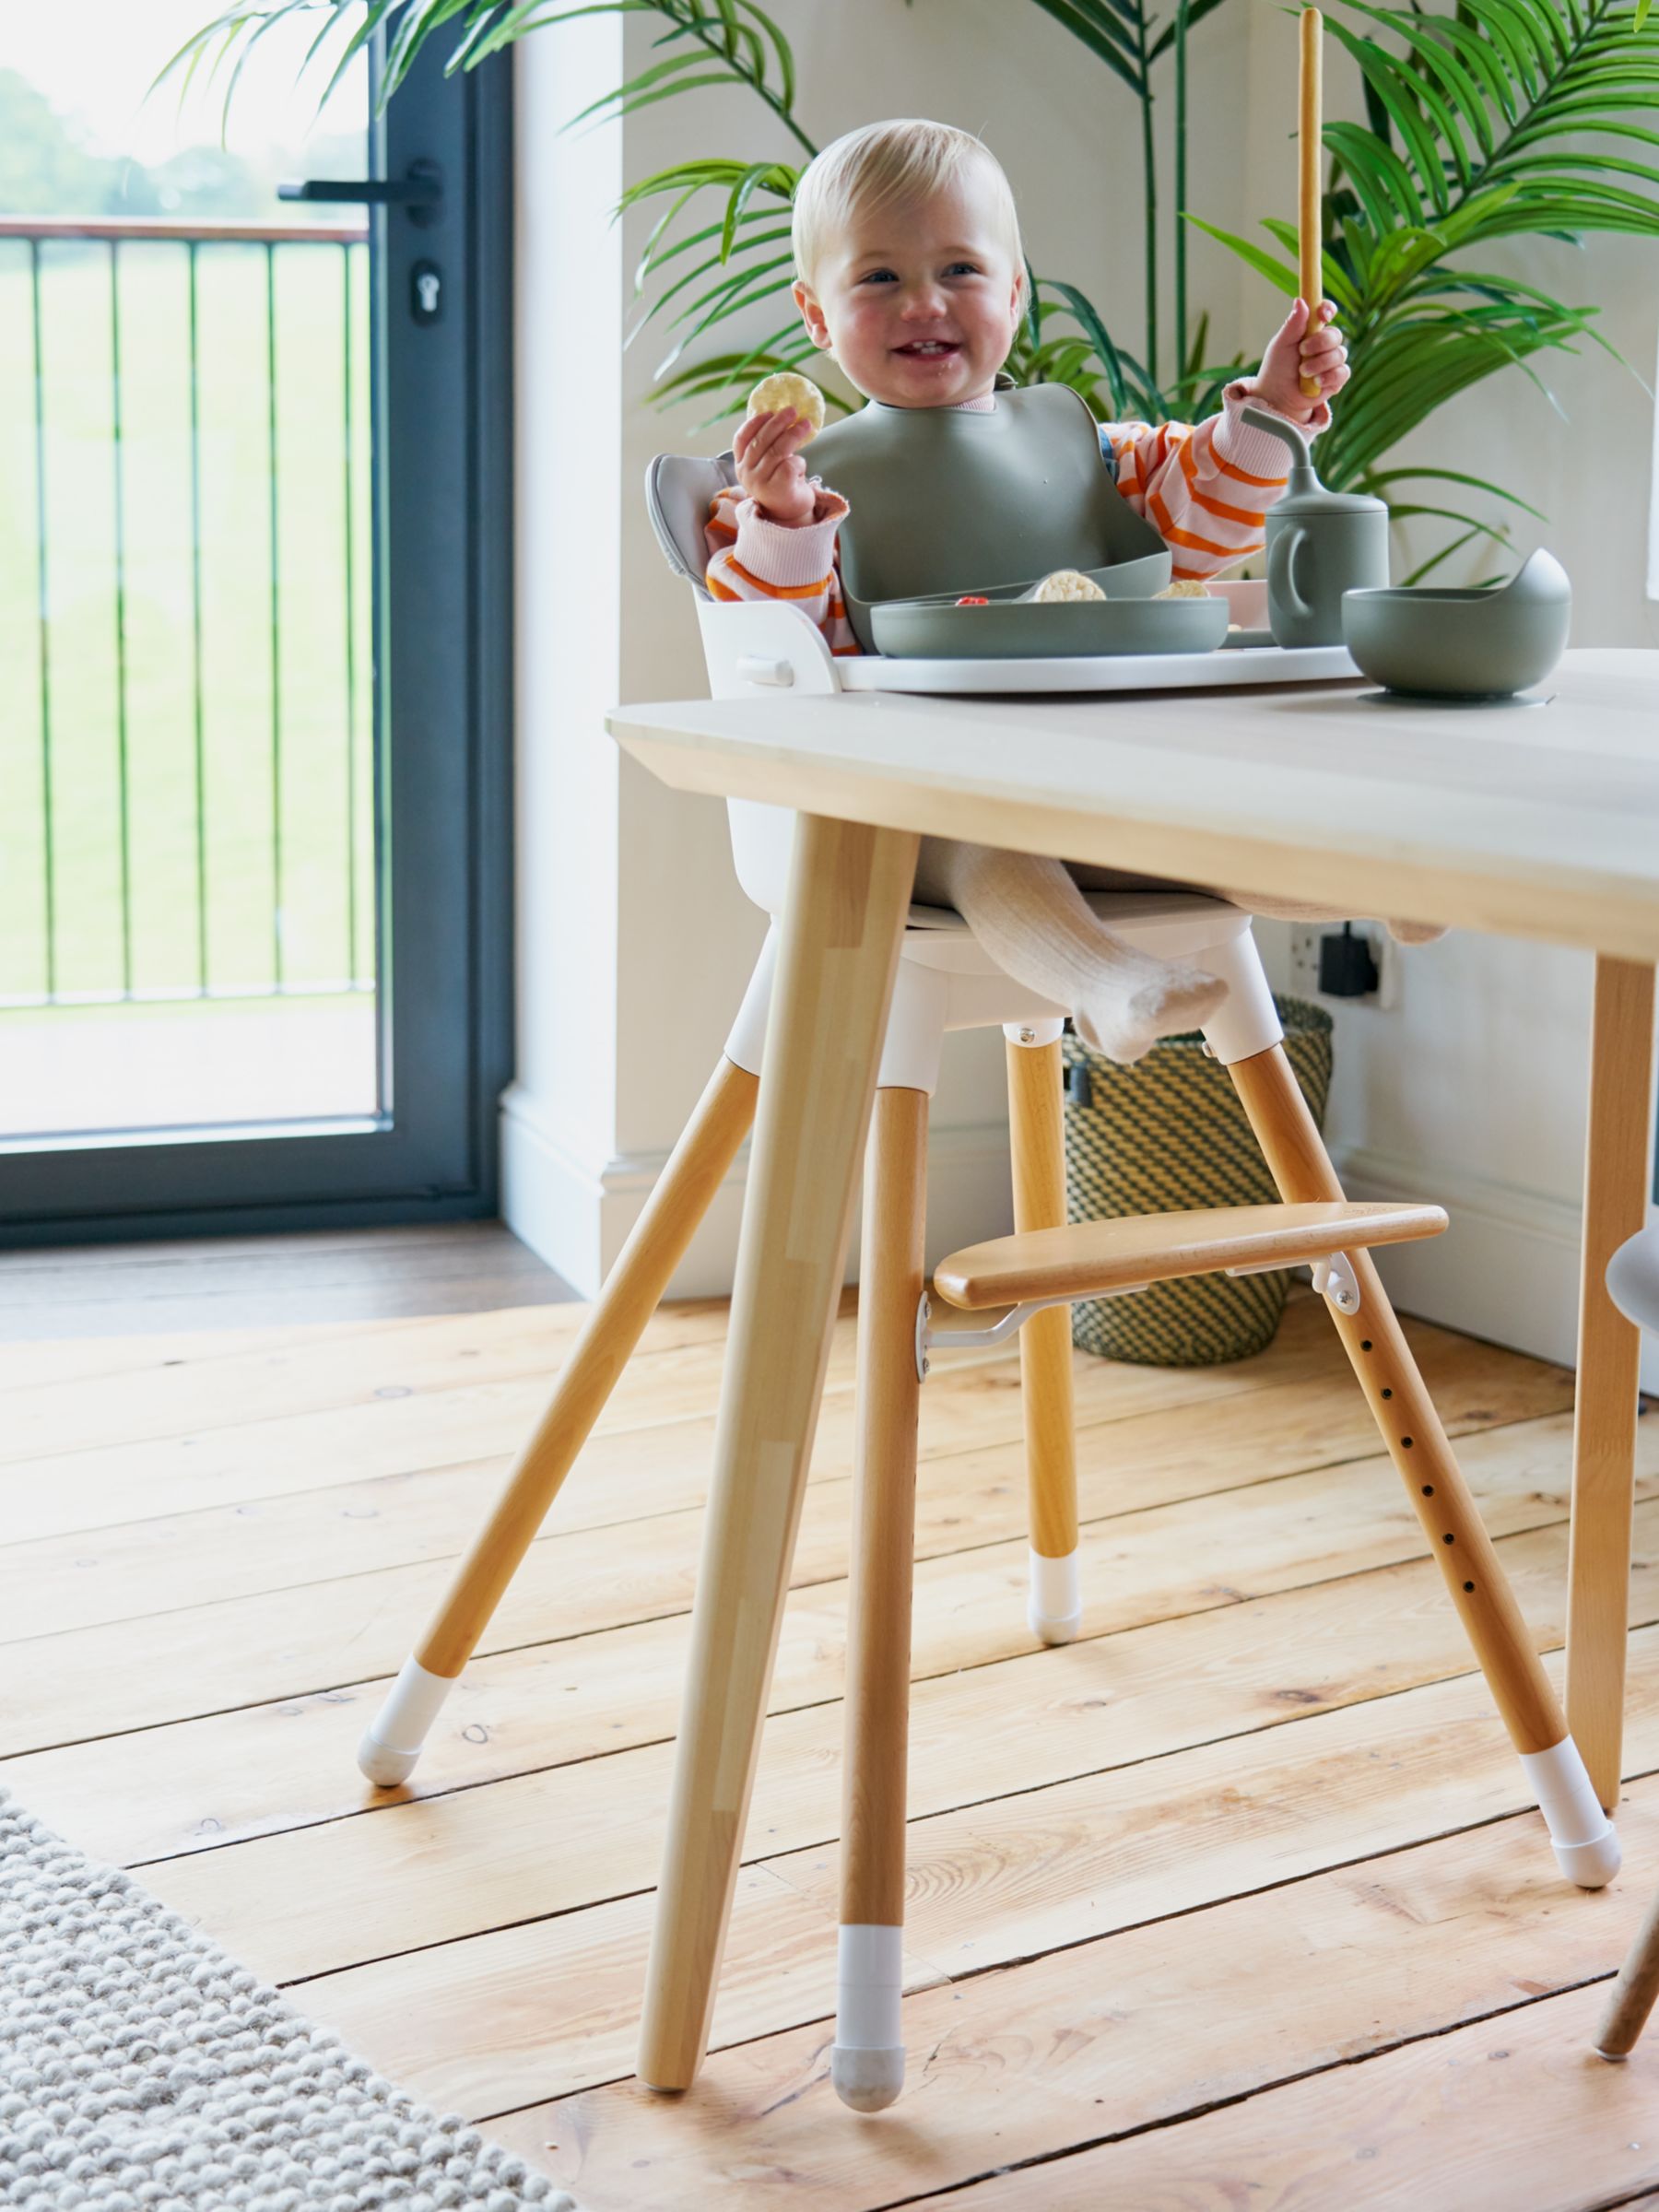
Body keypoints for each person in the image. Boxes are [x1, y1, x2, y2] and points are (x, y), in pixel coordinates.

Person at [703, 118, 1370, 1063]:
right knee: (988, 848)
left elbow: (1204, 516)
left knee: (1232, 817)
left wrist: (1273, 410)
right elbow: (772, 652)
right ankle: (1112, 984)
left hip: (1103, 783)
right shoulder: (799, 493)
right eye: (880, 277)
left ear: (1014, 292)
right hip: (919, 815)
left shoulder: (1088, 446)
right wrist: (782, 520)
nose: (924, 302)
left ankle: (1409, 889)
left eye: (962, 271)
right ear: (816, 315)